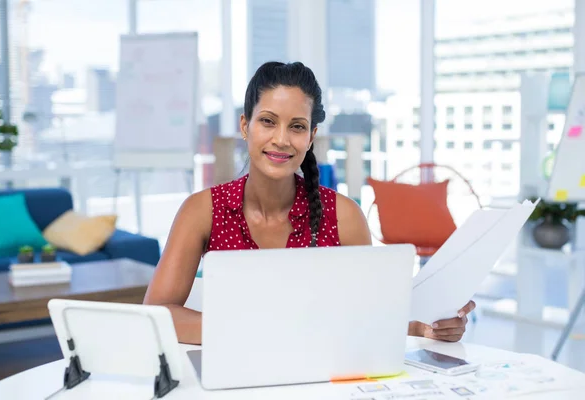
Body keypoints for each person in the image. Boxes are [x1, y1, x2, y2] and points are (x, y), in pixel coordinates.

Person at [143, 61, 475, 345]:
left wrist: (424, 328)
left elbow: (367, 317)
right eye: (268, 121)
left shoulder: (343, 216)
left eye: (297, 127)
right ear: (245, 126)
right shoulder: (202, 210)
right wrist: (261, 330)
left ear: (311, 136)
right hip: (231, 376)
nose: (281, 139)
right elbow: (157, 315)